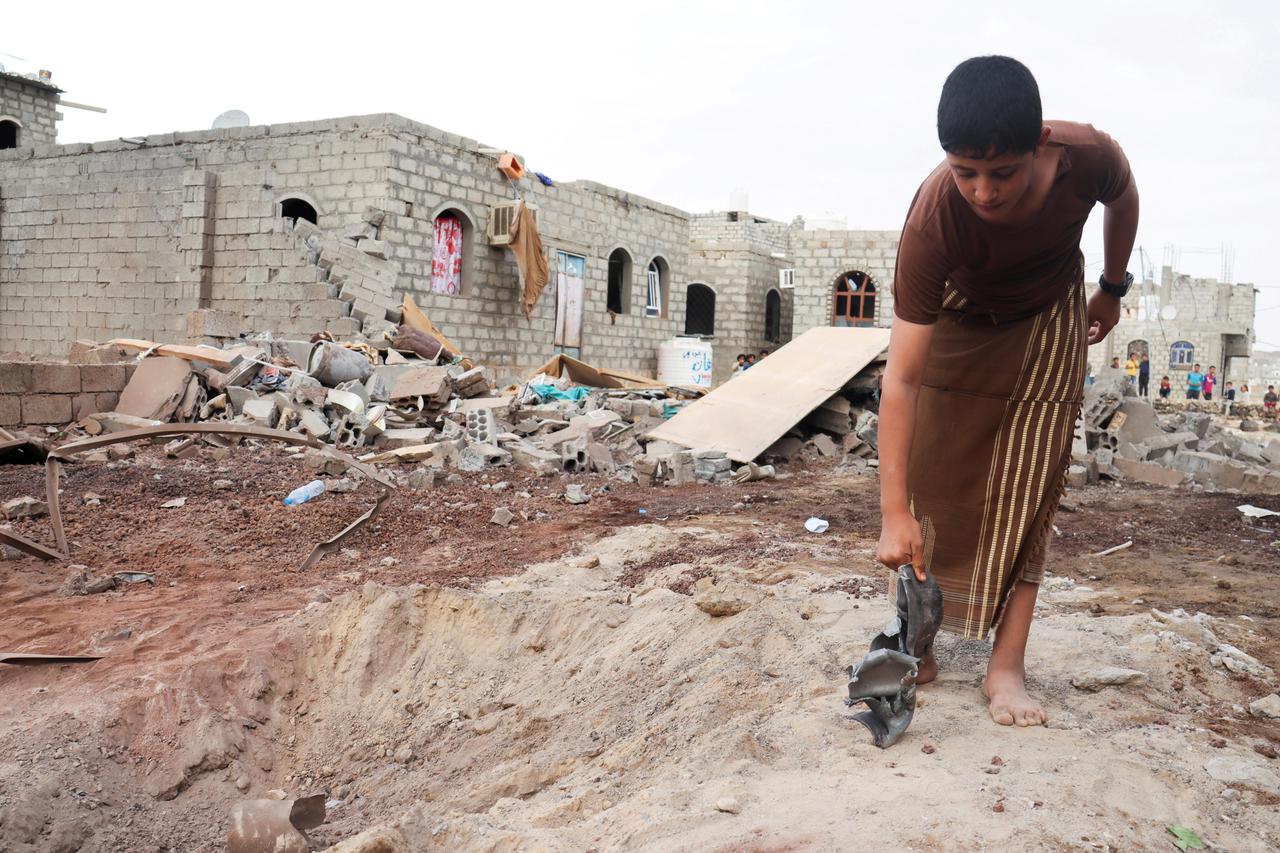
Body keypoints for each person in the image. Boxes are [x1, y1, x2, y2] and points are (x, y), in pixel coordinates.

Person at [876, 56, 1138, 728]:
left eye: (1003, 172)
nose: (984, 192)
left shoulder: (1086, 155)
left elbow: (1125, 195)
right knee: (931, 481)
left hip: (1051, 311)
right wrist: (891, 512)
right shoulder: (934, 219)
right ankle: (918, 646)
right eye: (966, 172)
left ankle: (1006, 666)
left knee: (1033, 483)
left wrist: (1111, 286)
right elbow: (901, 377)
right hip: (961, 317)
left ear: (1040, 144)